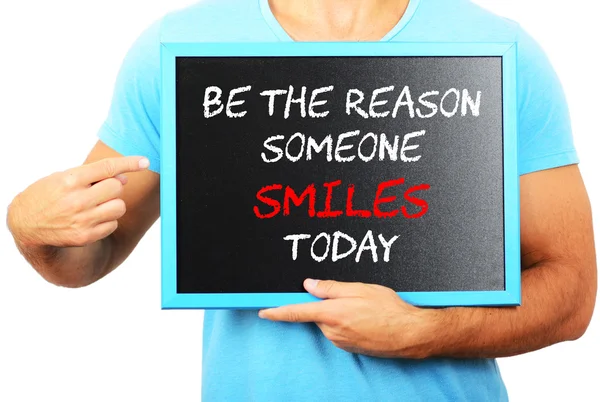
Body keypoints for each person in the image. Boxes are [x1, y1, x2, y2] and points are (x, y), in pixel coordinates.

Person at [6, 0, 597, 400]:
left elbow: (571, 293)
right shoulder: (180, 46)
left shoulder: (495, 48)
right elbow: (90, 257)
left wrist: (424, 332)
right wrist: (31, 227)